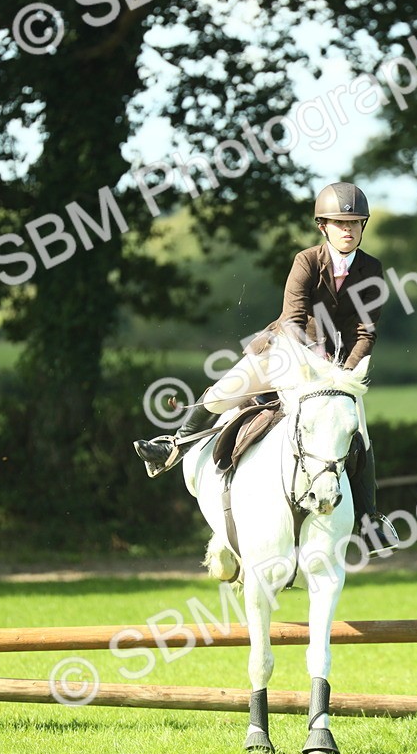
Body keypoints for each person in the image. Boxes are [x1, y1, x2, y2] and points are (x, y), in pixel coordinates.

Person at [133, 181, 398, 553]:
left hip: (337, 368)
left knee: (360, 432)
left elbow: (364, 331)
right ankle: (172, 447)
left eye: (355, 223)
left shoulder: (372, 268)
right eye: (340, 223)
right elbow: (293, 320)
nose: (348, 230)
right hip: (288, 351)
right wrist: (315, 361)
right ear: (322, 226)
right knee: (225, 391)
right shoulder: (306, 260)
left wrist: (345, 375)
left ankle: (370, 522)